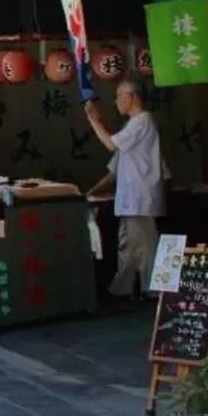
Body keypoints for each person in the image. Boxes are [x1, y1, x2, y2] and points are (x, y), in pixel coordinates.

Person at [88, 80, 167, 300]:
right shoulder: (133, 125)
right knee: (128, 243)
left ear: (129, 96)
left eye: (118, 97)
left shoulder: (143, 121)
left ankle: (153, 289)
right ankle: (123, 288)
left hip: (140, 196)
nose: (115, 102)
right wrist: (92, 191)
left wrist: (93, 120)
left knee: (145, 243)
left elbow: (111, 145)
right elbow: (114, 168)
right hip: (130, 198)